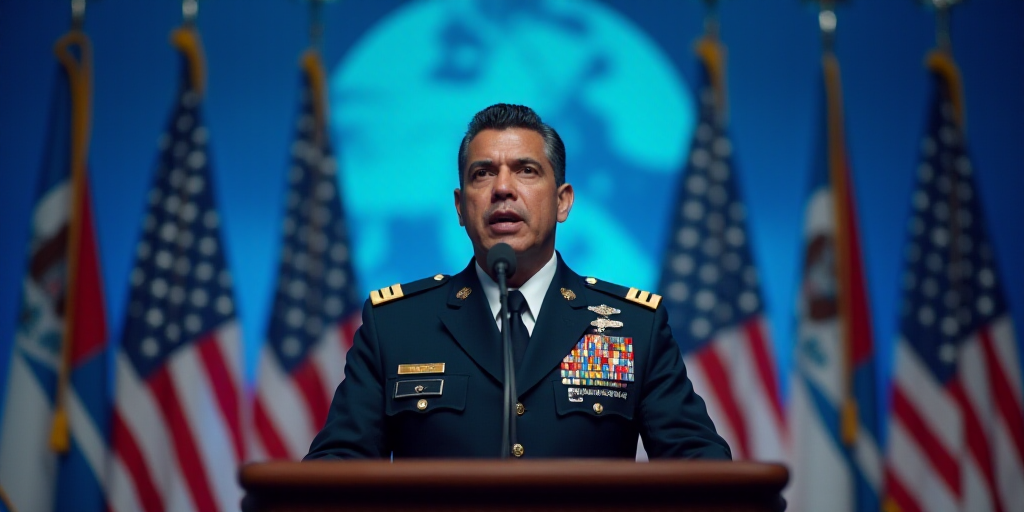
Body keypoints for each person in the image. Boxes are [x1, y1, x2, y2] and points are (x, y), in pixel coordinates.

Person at [305, 103, 730, 459]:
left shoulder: (635, 327)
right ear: (460, 206)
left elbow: (701, 468)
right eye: (482, 173)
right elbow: (337, 469)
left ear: (563, 201)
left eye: (526, 170)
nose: (502, 188)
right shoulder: (397, 326)